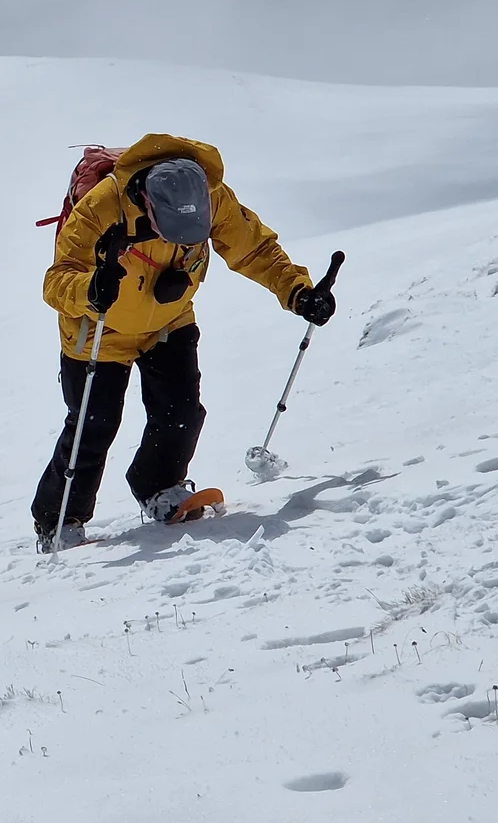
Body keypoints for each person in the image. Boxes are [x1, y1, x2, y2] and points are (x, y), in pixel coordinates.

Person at [31, 134, 334, 550]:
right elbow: (57, 279)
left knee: (182, 411)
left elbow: (255, 250)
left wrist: (298, 292)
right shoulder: (103, 205)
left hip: (167, 320)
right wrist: (90, 289)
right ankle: (59, 521)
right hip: (98, 330)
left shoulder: (214, 197)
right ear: (147, 204)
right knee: (93, 426)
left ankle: (160, 487)